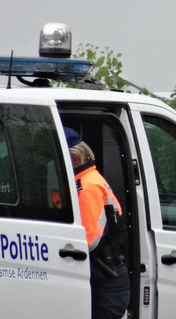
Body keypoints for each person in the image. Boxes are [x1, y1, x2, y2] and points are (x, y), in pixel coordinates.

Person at [64, 127, 130, 319]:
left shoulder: (87, 187)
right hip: (108, 276)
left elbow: (88, 239)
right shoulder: (88, 179)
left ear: (74, 158)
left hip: (107, 281)